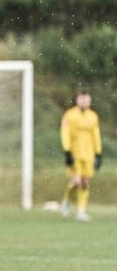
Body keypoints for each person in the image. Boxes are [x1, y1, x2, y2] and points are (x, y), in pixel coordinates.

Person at [60, 91, 102, 222]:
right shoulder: (69, 115)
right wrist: (67, 151)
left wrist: (98, 153)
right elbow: (65, 133)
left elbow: (96, 135)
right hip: (75, 152)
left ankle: (80, 211)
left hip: (88, 154)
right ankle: (67, 201)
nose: (84, 102)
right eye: (82, 100)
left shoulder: (93, 116)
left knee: (85, 182)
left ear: (89, 101)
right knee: (77, 181)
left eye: (86, 100)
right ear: (77, 100)